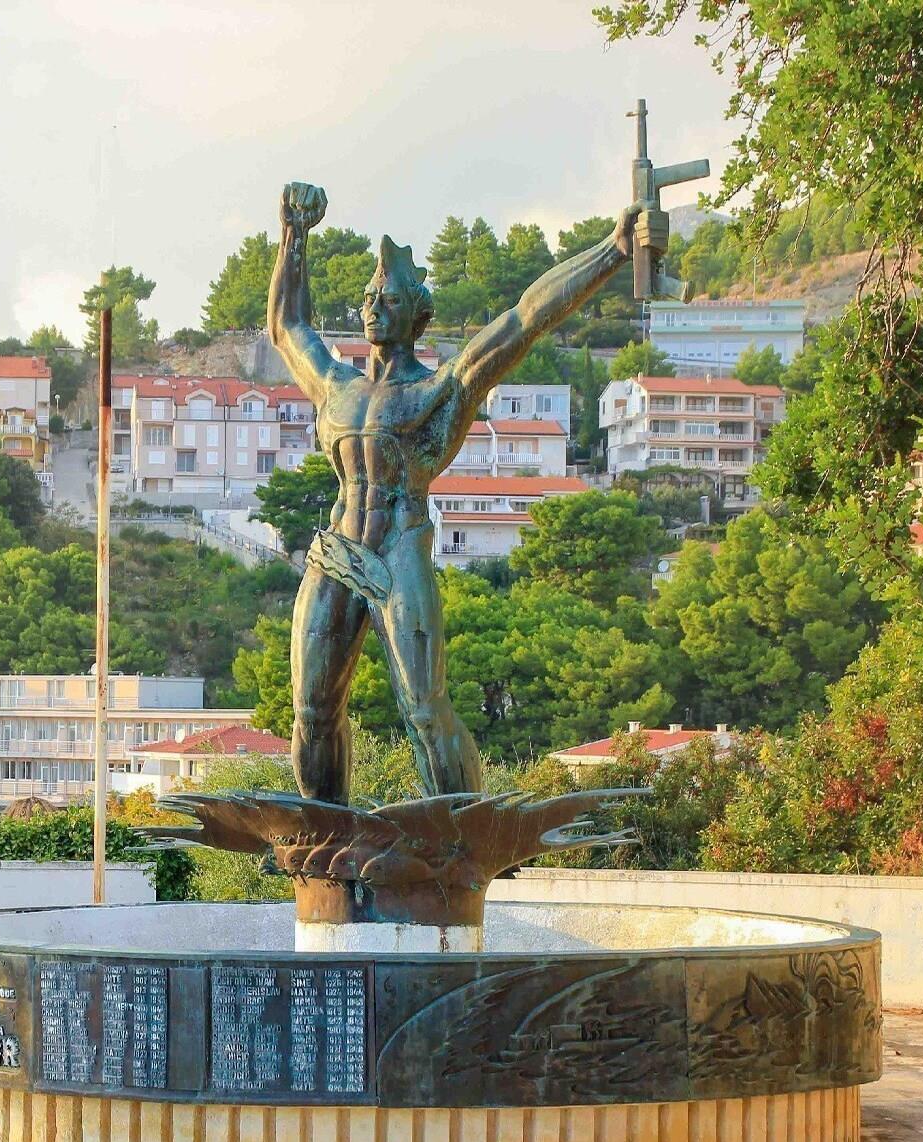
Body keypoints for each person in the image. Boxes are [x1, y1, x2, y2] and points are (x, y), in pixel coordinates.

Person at [268, 181, 655, 804]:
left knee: (425, 709)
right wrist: (293, 235)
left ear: (416, 315)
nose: (373, 307)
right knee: (313, 711)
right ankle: (326, 832)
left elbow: (526, 318)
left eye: (389, 299)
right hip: (338, 550)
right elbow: (287, 325)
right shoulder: (336, 385)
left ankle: (460, 824)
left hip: (398, 547)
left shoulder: (440, 388)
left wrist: (612, 250)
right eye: (369, 297)